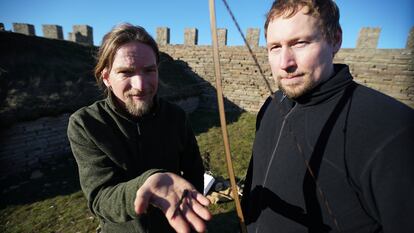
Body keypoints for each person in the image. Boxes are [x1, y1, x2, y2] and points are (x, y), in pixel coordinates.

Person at [242, 0, 414, 232]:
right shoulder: (271, 106)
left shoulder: (392, 127)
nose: (285, 63)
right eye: (274, 47)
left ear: (335, 39)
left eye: (300, 43)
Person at [67, 23, 211, 233]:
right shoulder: (87, 124)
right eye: (126, 72)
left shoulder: (176, 117)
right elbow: (100, 198)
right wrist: (148, 183)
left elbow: (194, 171)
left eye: (149, 70)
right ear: (106, 77)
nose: (141, 85)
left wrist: (191, 206)